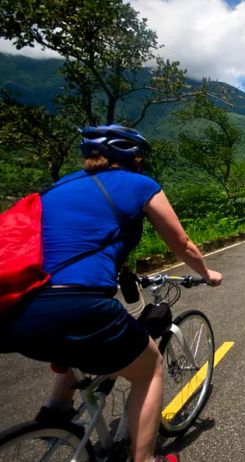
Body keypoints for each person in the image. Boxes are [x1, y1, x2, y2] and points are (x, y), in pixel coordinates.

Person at [0, 125, 223, 462]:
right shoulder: (140, 184)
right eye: (141, 158)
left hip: (17, 310)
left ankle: (56, 409)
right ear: (133, 158)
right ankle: (144, 458)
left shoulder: (56, 188)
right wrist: (207, 273)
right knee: (150, 369)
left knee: (69, 338)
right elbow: (182, 242)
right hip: (77, 304)